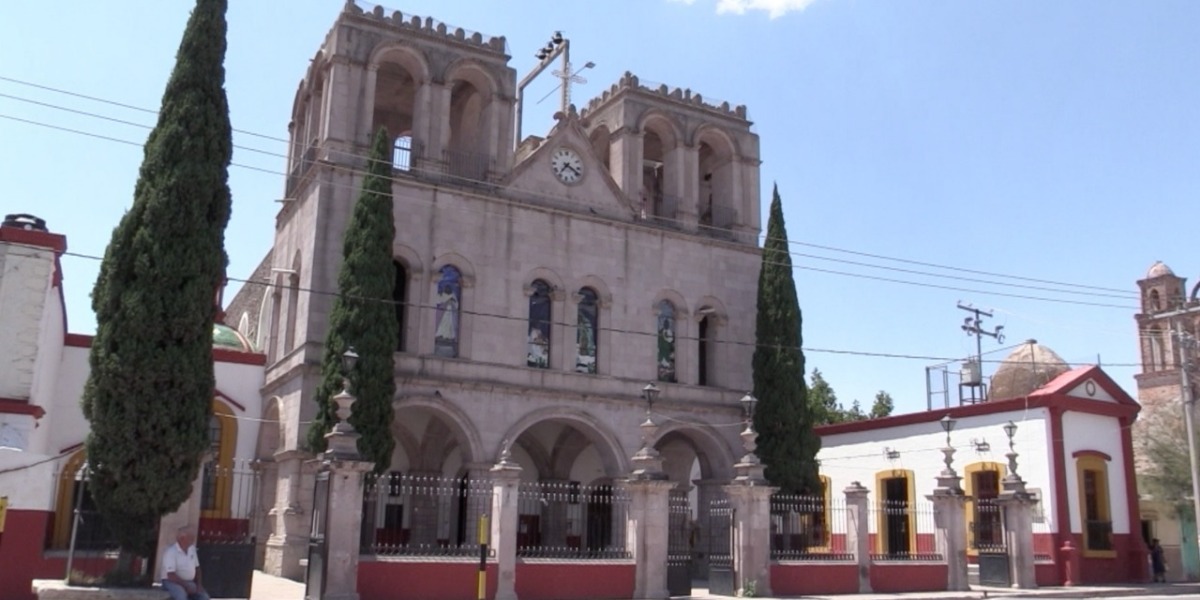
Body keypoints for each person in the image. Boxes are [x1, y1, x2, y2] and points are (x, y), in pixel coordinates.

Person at [161, 526, 209, 600]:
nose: (193, 540)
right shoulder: (171, 552)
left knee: (204, 597)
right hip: (171, 582)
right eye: (190, 537)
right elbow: (171, 575)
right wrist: (185, 586)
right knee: (181, 595)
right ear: (182, 538)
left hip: (189, 582)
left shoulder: (192, 549)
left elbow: (197, 569)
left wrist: (199, 585)